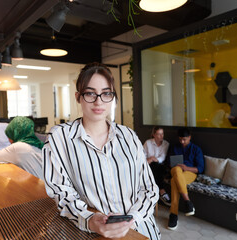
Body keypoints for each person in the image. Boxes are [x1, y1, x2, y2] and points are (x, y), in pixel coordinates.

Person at [42, 62, 160, 239]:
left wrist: (131, 219)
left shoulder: (128, 136)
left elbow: (149, 188)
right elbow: (61, 191)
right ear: (78, 97)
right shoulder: (60, 137)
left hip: (141, 230)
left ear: (113, 97)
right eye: (90, 93)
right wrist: (89, 220)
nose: (99, 101)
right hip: (93, 233)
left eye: (106, 93)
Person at [167, 127, 204, 230]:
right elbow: (169, 162)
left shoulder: (196, 149)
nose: (182, 142)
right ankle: (187, 201)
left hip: (190, 173)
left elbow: (200, 168)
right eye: (180, 139)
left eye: (184, 139)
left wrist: (186, 168)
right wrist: (174, 165)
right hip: (176, 171)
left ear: (189, 137)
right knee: (176, 170)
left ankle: (173, 214)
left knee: (174, 180)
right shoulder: (174, 147)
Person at [143, 126, 171, 206]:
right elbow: (142, 156)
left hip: (161, 166)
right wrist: (149, 160)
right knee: (153, 166)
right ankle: (161, 191)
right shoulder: (148, 143)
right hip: (148, 165)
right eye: (159, 134)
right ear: (154, 135)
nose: (161, 136)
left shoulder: (166, 144)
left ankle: (153, 193)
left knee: (156, 165)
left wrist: (151, 159)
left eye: (162, 134)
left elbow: (162, 158)